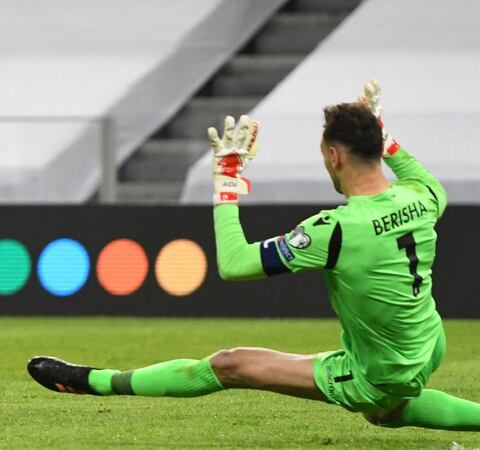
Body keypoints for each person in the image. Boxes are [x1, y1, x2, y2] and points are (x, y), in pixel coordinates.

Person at [27, 80, 480, 431]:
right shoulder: (424, 195)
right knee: (383, 412)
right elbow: (402, 161)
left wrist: (226, 181)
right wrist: (381, 129)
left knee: (230, 365)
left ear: (334, 154)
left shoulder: (337, 229)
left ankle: (92, 381)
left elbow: (235, 263)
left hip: (384, 369)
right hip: (428, 343)